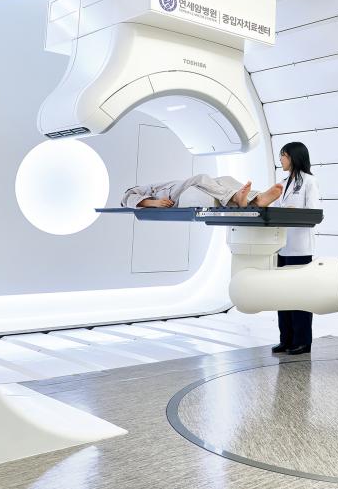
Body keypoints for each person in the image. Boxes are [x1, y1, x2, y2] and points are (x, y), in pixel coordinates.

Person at [270, 141, 320, 356]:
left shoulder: (309, 181)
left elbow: (314, 214)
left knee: (299, 295)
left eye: (283, 155)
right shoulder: (281, 183)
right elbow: (274, 210)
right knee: (282, 295)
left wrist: (293, 212)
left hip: (300, 249)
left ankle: (302, 341)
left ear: (294, 156)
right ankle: (286, 339)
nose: (281, 159)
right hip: (282, 247)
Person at [122, 173, 284, 209]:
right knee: (200, 178)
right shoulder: (136, 191)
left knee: (224, 179)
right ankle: (237, 197)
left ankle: (256, 198)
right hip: (169, 196)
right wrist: (154, 203)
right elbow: (126, 199)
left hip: (175, 188)